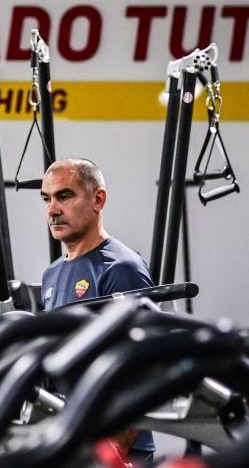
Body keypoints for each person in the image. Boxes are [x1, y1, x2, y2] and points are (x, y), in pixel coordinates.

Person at [39, 157, 156, 465]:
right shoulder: (51, 274)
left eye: (65, 196)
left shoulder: (121, 268)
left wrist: (115, 452)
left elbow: (142, 370)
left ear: (97, 200)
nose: (52, 209)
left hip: (113, 447)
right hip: (70, 439)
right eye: (47, 199)